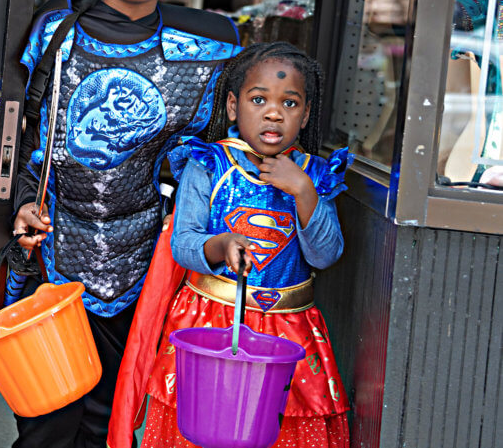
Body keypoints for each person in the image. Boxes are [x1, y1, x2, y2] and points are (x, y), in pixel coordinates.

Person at [9, 0, 243, 448]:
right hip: (55, 260)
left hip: (146, 268)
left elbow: (218, 158)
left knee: (111, 420)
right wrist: (22, 203)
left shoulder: (209, 53)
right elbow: (24, 137)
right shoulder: (55, 36)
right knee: (46, 421)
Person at [108, 42, 353, 448]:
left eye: (290, 103)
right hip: (210, 322)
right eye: (259, 100)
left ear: (306, 114)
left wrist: (304, 192)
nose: (274, 112)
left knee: (276, 431)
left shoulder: (313, 175)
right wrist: (220, 247)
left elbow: (325, 255)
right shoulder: (208, 164)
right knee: (205, 427)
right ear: (234, 107)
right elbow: (183, 245)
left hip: (288, 331)